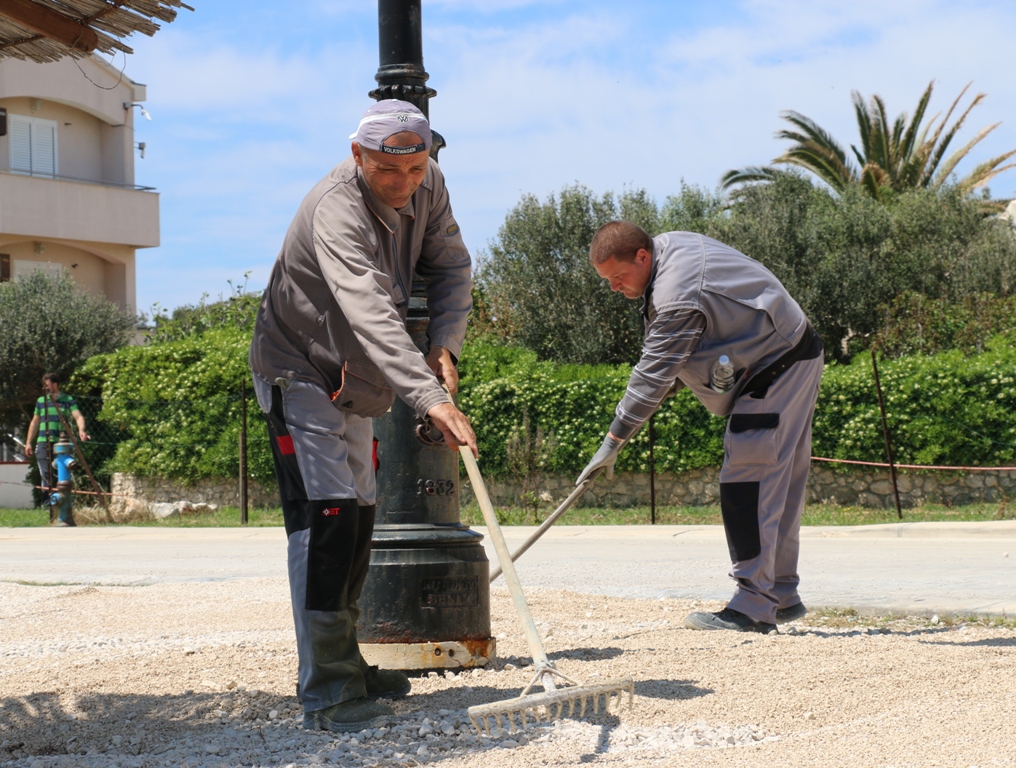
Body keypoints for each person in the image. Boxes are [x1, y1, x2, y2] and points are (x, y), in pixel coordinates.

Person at [249, 99, 478, 731]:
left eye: (415, 168)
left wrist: (445, 346)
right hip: (300, 370)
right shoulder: (335, 209)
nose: (405, 184)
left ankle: (347, 661)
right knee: (325, 521)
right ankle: (326, 688)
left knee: (360, 518)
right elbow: (370, 308)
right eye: (387, 169)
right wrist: (430, 399)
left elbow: (452, 268)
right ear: (358, 156)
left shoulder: (428, 182)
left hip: (362, 379)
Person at [577, 222, 823, 634]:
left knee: (749, 482)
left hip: (774, 367)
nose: (614, 288)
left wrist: (614, 441)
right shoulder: (671, 247)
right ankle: (778, 593)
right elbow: (676, 360)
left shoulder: (677, 294)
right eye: (607, 281)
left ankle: (752, 607)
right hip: (791, 354)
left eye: (618, 277)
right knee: (777, 483)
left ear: (642, 256)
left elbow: (653, 375)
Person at [25, 372, 89, 513]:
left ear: (55, 384)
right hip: (43, 441)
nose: (46, 388)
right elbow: (35, 422)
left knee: (62, 472)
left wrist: (82, 430)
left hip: (61, 443)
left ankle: (61, 502)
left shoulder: (67, 399)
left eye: (48, 385)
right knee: (46, 472)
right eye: (44, 386)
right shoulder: (41, 401)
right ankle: (48, 502)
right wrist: (29, 442)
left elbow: (78, 416)